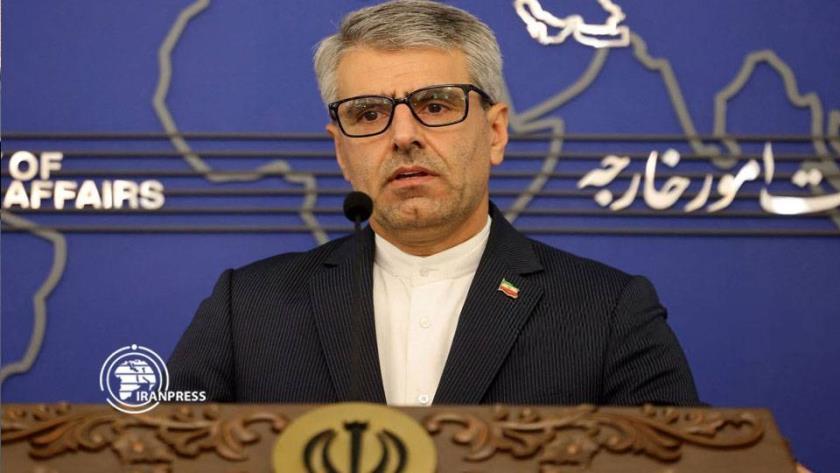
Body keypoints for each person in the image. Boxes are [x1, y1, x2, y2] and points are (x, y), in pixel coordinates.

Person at [168, 0, 700, 407]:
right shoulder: (247, 309)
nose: (403, 135)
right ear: (340, 149)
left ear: (495, 132)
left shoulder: (606, 312)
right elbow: (159, 451)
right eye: (368, 114)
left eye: (436, 105)